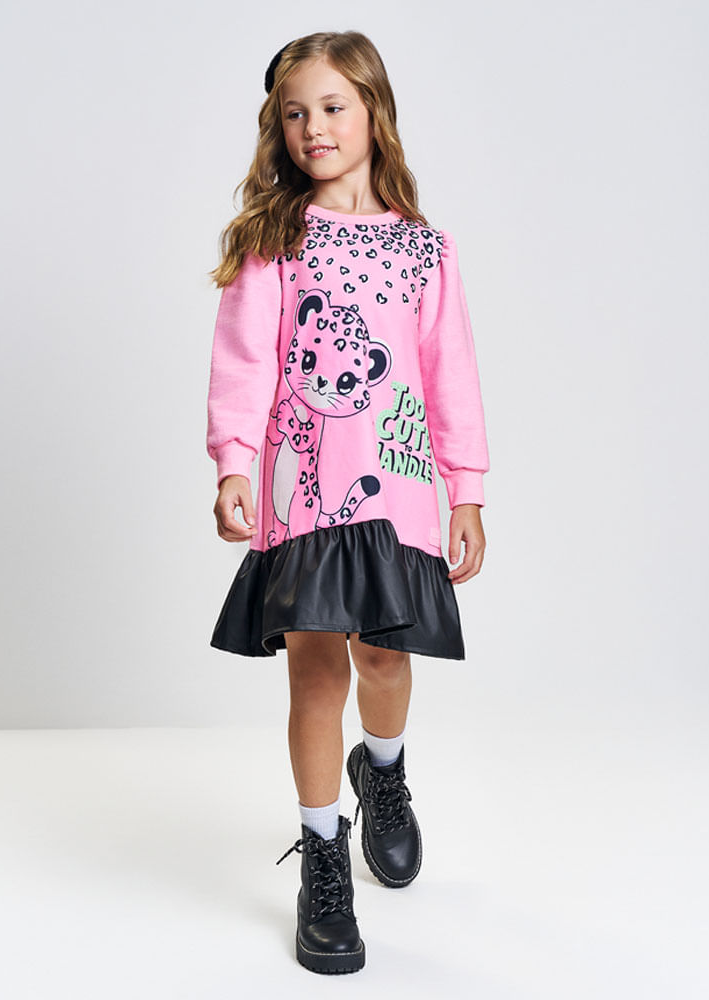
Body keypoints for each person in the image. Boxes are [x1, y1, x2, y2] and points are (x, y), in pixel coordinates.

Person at [205, 30, 490, 975]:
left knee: (383, 657)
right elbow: (245, 362)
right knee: (317, 671)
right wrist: (234, 463)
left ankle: (385, 771)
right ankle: (323, 856)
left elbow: (450, 374)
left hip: (399, 486)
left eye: (331, 107)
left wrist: (467, 488)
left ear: (373, 111)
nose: (313, 127)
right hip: (304, 489)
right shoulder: (275, 242)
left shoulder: (423, 250)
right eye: (295, 113)